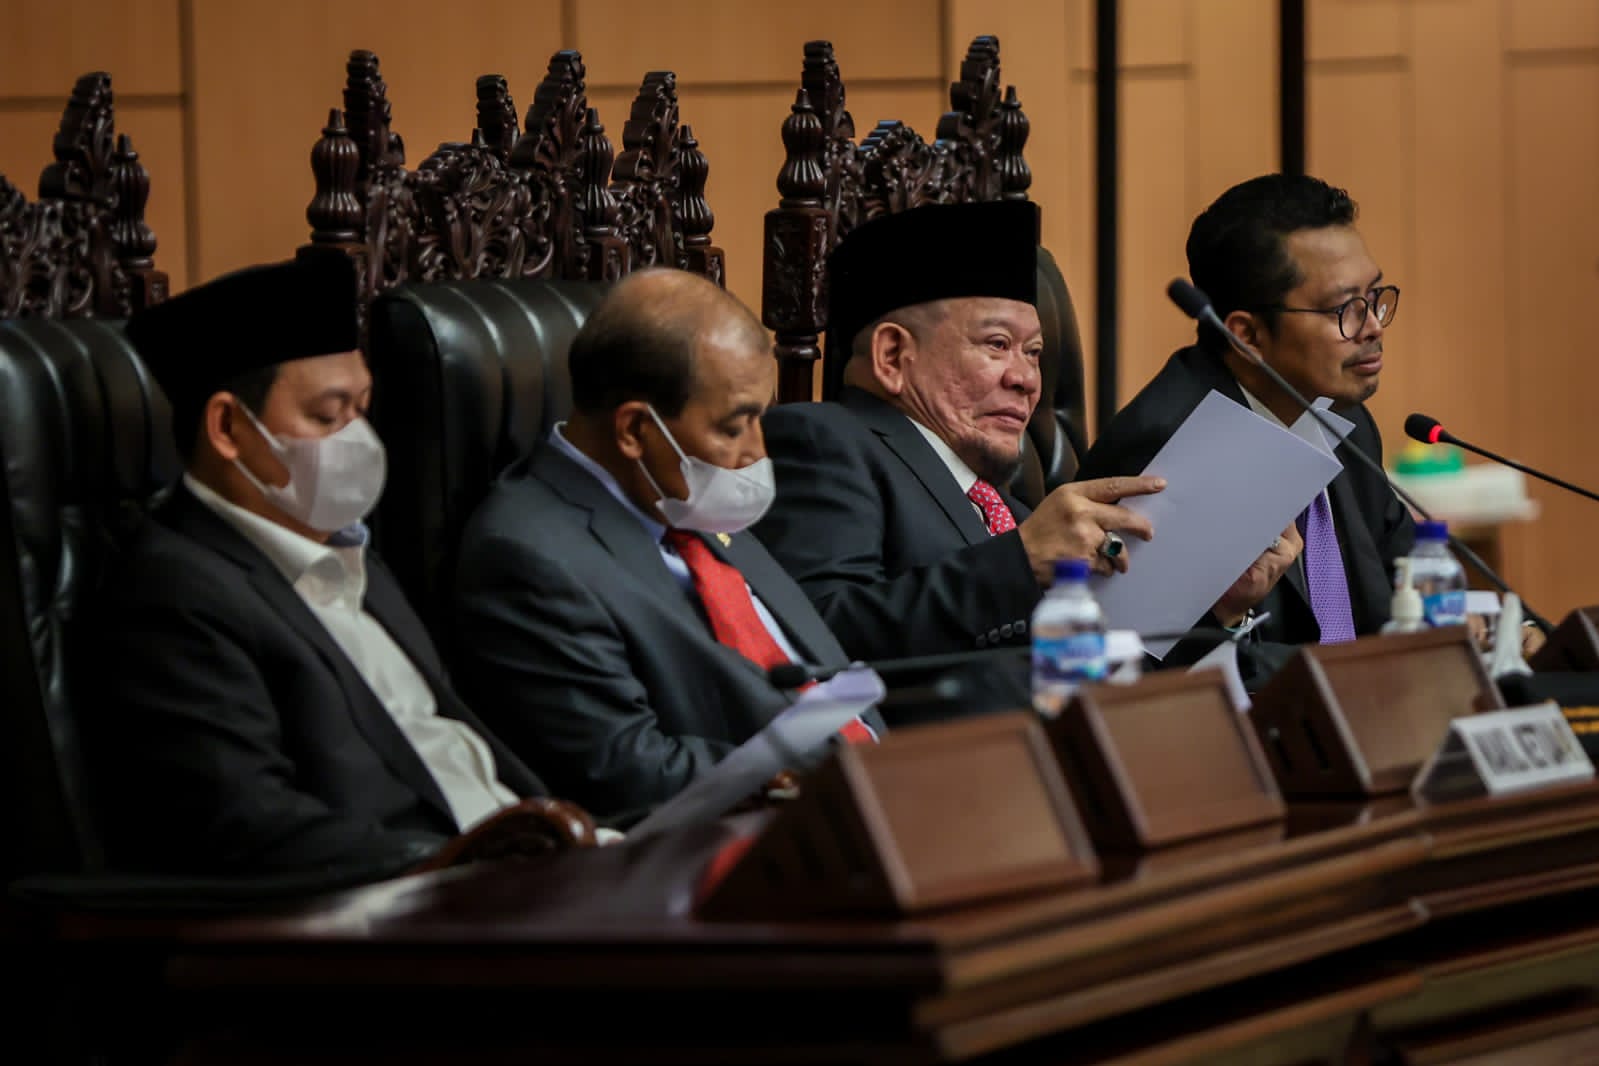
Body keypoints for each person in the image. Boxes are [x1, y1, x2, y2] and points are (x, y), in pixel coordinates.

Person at [93, 251, 576, 876]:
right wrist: (469, 867)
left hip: (528, 868)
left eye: (361, 409)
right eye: (327, 415)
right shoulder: (176, 593)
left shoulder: (353, 554)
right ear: (228, 428)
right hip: (406, 902)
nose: (357, 439)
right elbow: (250, 829)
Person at [451, 269, 877, 821]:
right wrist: (839, 776)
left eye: (760, 419)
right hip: (746, 835)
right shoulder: (526, 560)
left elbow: (828, 680)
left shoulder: (683, 494)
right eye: (734, 427)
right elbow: (631, 774)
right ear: (635, 430)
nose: (757, 453)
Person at [753, 200, 1165, 710]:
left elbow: (1076, 675)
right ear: (892, 356)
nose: (1027, 379)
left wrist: (1220, 611)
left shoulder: (1012, 511)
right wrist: (1018, 564)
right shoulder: (825, 442)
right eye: (997, 344)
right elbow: (817, 636)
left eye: (1034, 352)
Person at [1076, 173, 1416, 687]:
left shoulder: (1345, 419)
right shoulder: (1165, 451)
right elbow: (1125, 673)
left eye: (1373, 297)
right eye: (1343, 309)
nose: (1372, 326)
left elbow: (1404, 573)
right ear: (1246, 335)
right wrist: (1228, 616)